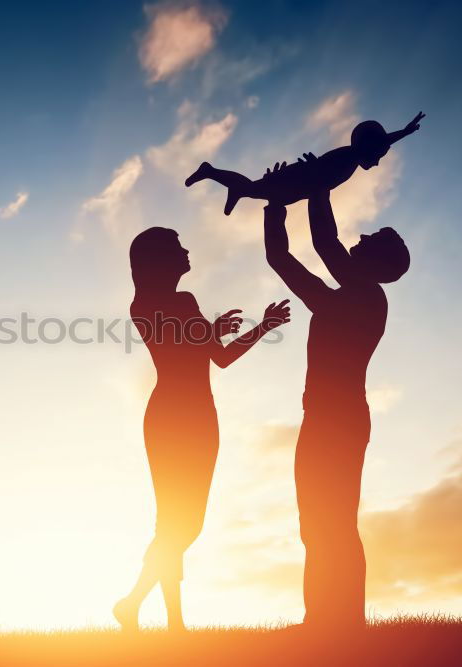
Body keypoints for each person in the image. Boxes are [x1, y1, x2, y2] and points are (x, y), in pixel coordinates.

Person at [114, 226, 290, 632]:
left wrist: (213, 330)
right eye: (177, 246)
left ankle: (156, 615)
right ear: (159, 259)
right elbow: (219, 358)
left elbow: (200, 349)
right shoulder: (176, 301)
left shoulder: (144, 304)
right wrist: (262, 325)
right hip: (187, 416)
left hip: (178, 415)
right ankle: (149, 610)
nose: (186, 250)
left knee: (177, 523)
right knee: (181, 524)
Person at [261, 158, 410, 629]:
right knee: (318, 523)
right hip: (327, 418)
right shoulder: (348, 295)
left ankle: (343, 622)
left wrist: (319, 188)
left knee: (335, 523)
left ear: (377, 264)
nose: (359, 239)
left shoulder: (363, 299)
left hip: (338, 420)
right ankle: (323, 620)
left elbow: (321, 246)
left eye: (369, 241)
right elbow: (282, 259)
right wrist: (276, 205)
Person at [185, 112, 424, 215]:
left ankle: (230, 185)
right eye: (378, 156)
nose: (377, 163)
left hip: (301, 184)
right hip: (298, 179)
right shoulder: (349, 156)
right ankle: (212, 172)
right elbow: (321, 170)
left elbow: (323, 176)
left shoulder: (349, 159)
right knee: (256, 190)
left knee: (258, 192)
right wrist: (403, 132)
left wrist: (403, 132)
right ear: (369, 148)